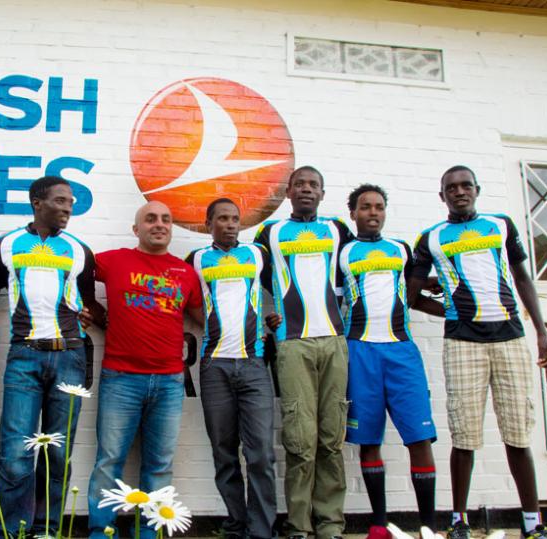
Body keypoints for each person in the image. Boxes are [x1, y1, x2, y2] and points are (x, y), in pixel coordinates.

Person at [407, 166, 547, 539]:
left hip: (510, 339)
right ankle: (459, 521)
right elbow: (411, 295)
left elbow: (523, 278)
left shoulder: (501, 225)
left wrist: (541, 332)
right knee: (464, 437)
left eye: (465, 186)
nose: (459, 192)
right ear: (442, 196)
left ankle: (532, 523)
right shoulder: (431, 238)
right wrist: (447, 309)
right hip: (462, 344)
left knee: (518, 435)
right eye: (451, 188)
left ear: (477, 190)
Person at [0, 176, 101, 539]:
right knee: (16, 451)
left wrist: (98, 318)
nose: (68, 208)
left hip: (69, 356)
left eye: (70, 202)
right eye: (60, 201)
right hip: (24, 356)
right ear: (37, 202)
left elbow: (88, 302)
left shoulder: (79, 249)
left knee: (56, 452)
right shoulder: (6, 245)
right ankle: (9, 532)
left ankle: (46, 530)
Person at [86, 201, 204, 539]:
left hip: (169, 382)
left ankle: (150, 532)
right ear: (136, 229)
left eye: (166, 219)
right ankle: (100, 530)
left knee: (160, 464)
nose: (159, 224)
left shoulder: (184, 273)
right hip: (121, 378)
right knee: (110, 460)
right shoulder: (113, 260)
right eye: (150, 219)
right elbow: (73, 275)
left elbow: (201, 317)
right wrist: (92, 311)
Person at [255, 165, 354, 539]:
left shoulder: (337, 230)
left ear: (323, 193)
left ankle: (330, 523)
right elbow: (259, 276)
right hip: (292, 343)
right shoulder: (271, 233)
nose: (307, 190)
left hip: (334, 341)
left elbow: (348, 275)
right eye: (300, 184)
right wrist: (274, 310)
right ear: (288, 192)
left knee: (331, 437)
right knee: (299, 439)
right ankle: (299, 526)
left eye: (314, 184)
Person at [338, 184, 439, 538]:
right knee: (369, 440)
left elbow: (414, 295)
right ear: (352, 213)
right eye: (365, 207)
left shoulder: (400, 249)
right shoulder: (342, 252)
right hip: (360, 351)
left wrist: (452, 312)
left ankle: (429, 525)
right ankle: (379, 524)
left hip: (401, 351)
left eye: (379, 206)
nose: (373, 213)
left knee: (419, 437)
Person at [185, 198, 276, 539]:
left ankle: (262, 531)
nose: (230, 224)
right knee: (224, 453)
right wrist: (210, 325)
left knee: (261, 455)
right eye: (222, 218)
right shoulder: (195, 259)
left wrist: (275, 320)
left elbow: (282, 291)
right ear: (209, 224)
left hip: (253, 365)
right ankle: (237, 525)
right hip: (215, 367)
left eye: (235, 218)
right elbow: (187, 301)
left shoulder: (257, 255)